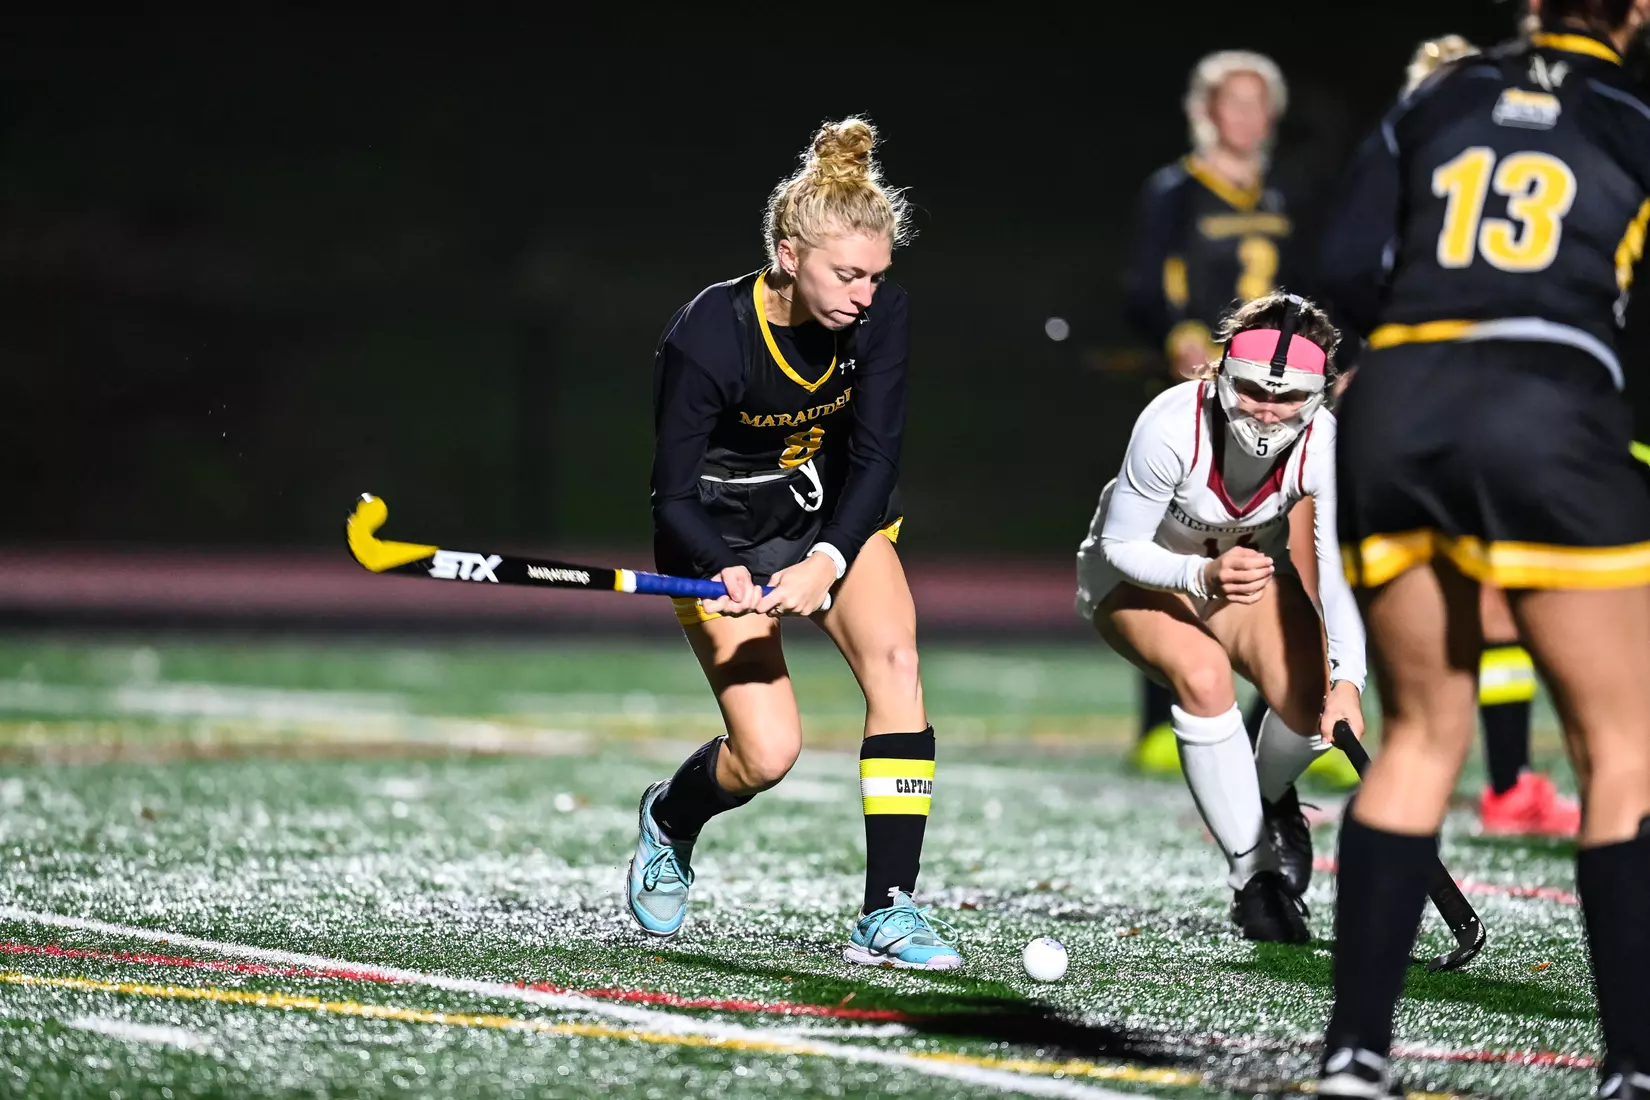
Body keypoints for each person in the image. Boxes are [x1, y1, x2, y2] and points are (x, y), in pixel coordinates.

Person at [1316, 1, 1650, 1094]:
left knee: (1421, 733)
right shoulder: (1632, 112)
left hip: (1403, 398)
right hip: (1548, 398)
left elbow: (1343, 266)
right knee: (1621, 749)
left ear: (1532, 6)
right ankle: (1633, 1063)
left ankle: (1356, 1052)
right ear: (1637, 13)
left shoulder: (1438, 96)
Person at [626, 117, 961, 971]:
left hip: (825, 518)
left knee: (897, 667)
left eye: (877, 275)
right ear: (787, 255)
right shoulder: (708, 333)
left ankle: (888, 908)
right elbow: (669, 496)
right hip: (716, 531)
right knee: (767, 754)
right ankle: (671, 815)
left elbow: (878, 458)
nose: (865, 294)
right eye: (847, 274)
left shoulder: (881, 318)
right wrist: (722, 570)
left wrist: (829, 559)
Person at [1075, 290, 1367, 943]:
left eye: (1290, 397)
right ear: (1219, 371)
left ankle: (1263, 802)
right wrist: (1200, 575)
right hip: (1136, 577)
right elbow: (1121, 547)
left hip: (1236, 578)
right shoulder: (1171, 422)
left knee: (1312, 697)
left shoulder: (1324, 444)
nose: (1269, 411)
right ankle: (1253, 875)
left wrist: (1350, 681)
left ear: (1319, 393)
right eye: (1253, 391)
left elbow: (1335, 571)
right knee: (1204, 675)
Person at [1122, 52, 1356, 787]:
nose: (1247, 117)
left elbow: (1321, 287)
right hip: (1212, 397)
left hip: (1284, 404)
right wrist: (1174, 333)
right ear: (1207, 111)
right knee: (1181, 537)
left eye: (1260, 103)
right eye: (1234, 102)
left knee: (1295, 550)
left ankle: (1289, 711)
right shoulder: (1175, 191)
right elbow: (1143, 283)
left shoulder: (1293, 195)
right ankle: (1161, 715)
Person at [1399, 34, 1583, 840]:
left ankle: (1505, 780)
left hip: (1467, 406)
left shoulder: (1419, 161)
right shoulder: (1432, 163)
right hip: (1447, 407)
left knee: (1491, 599)